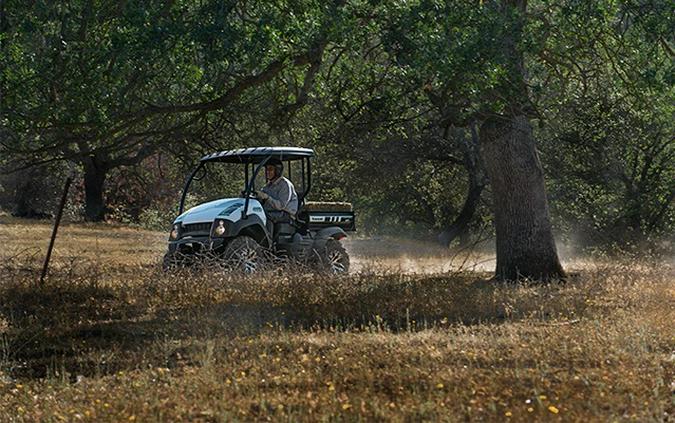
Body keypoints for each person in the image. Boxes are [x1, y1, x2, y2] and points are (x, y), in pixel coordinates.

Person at [256, 157, 298, 223]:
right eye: (266, 169)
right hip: (273, 213)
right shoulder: (268, 185)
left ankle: (266, 233)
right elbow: (262, 195)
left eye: (270, 169)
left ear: (277, 170)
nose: (267, 172)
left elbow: (281, 206)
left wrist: (267, 197)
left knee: (265, 220)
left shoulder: (285, 185)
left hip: (285, 215)